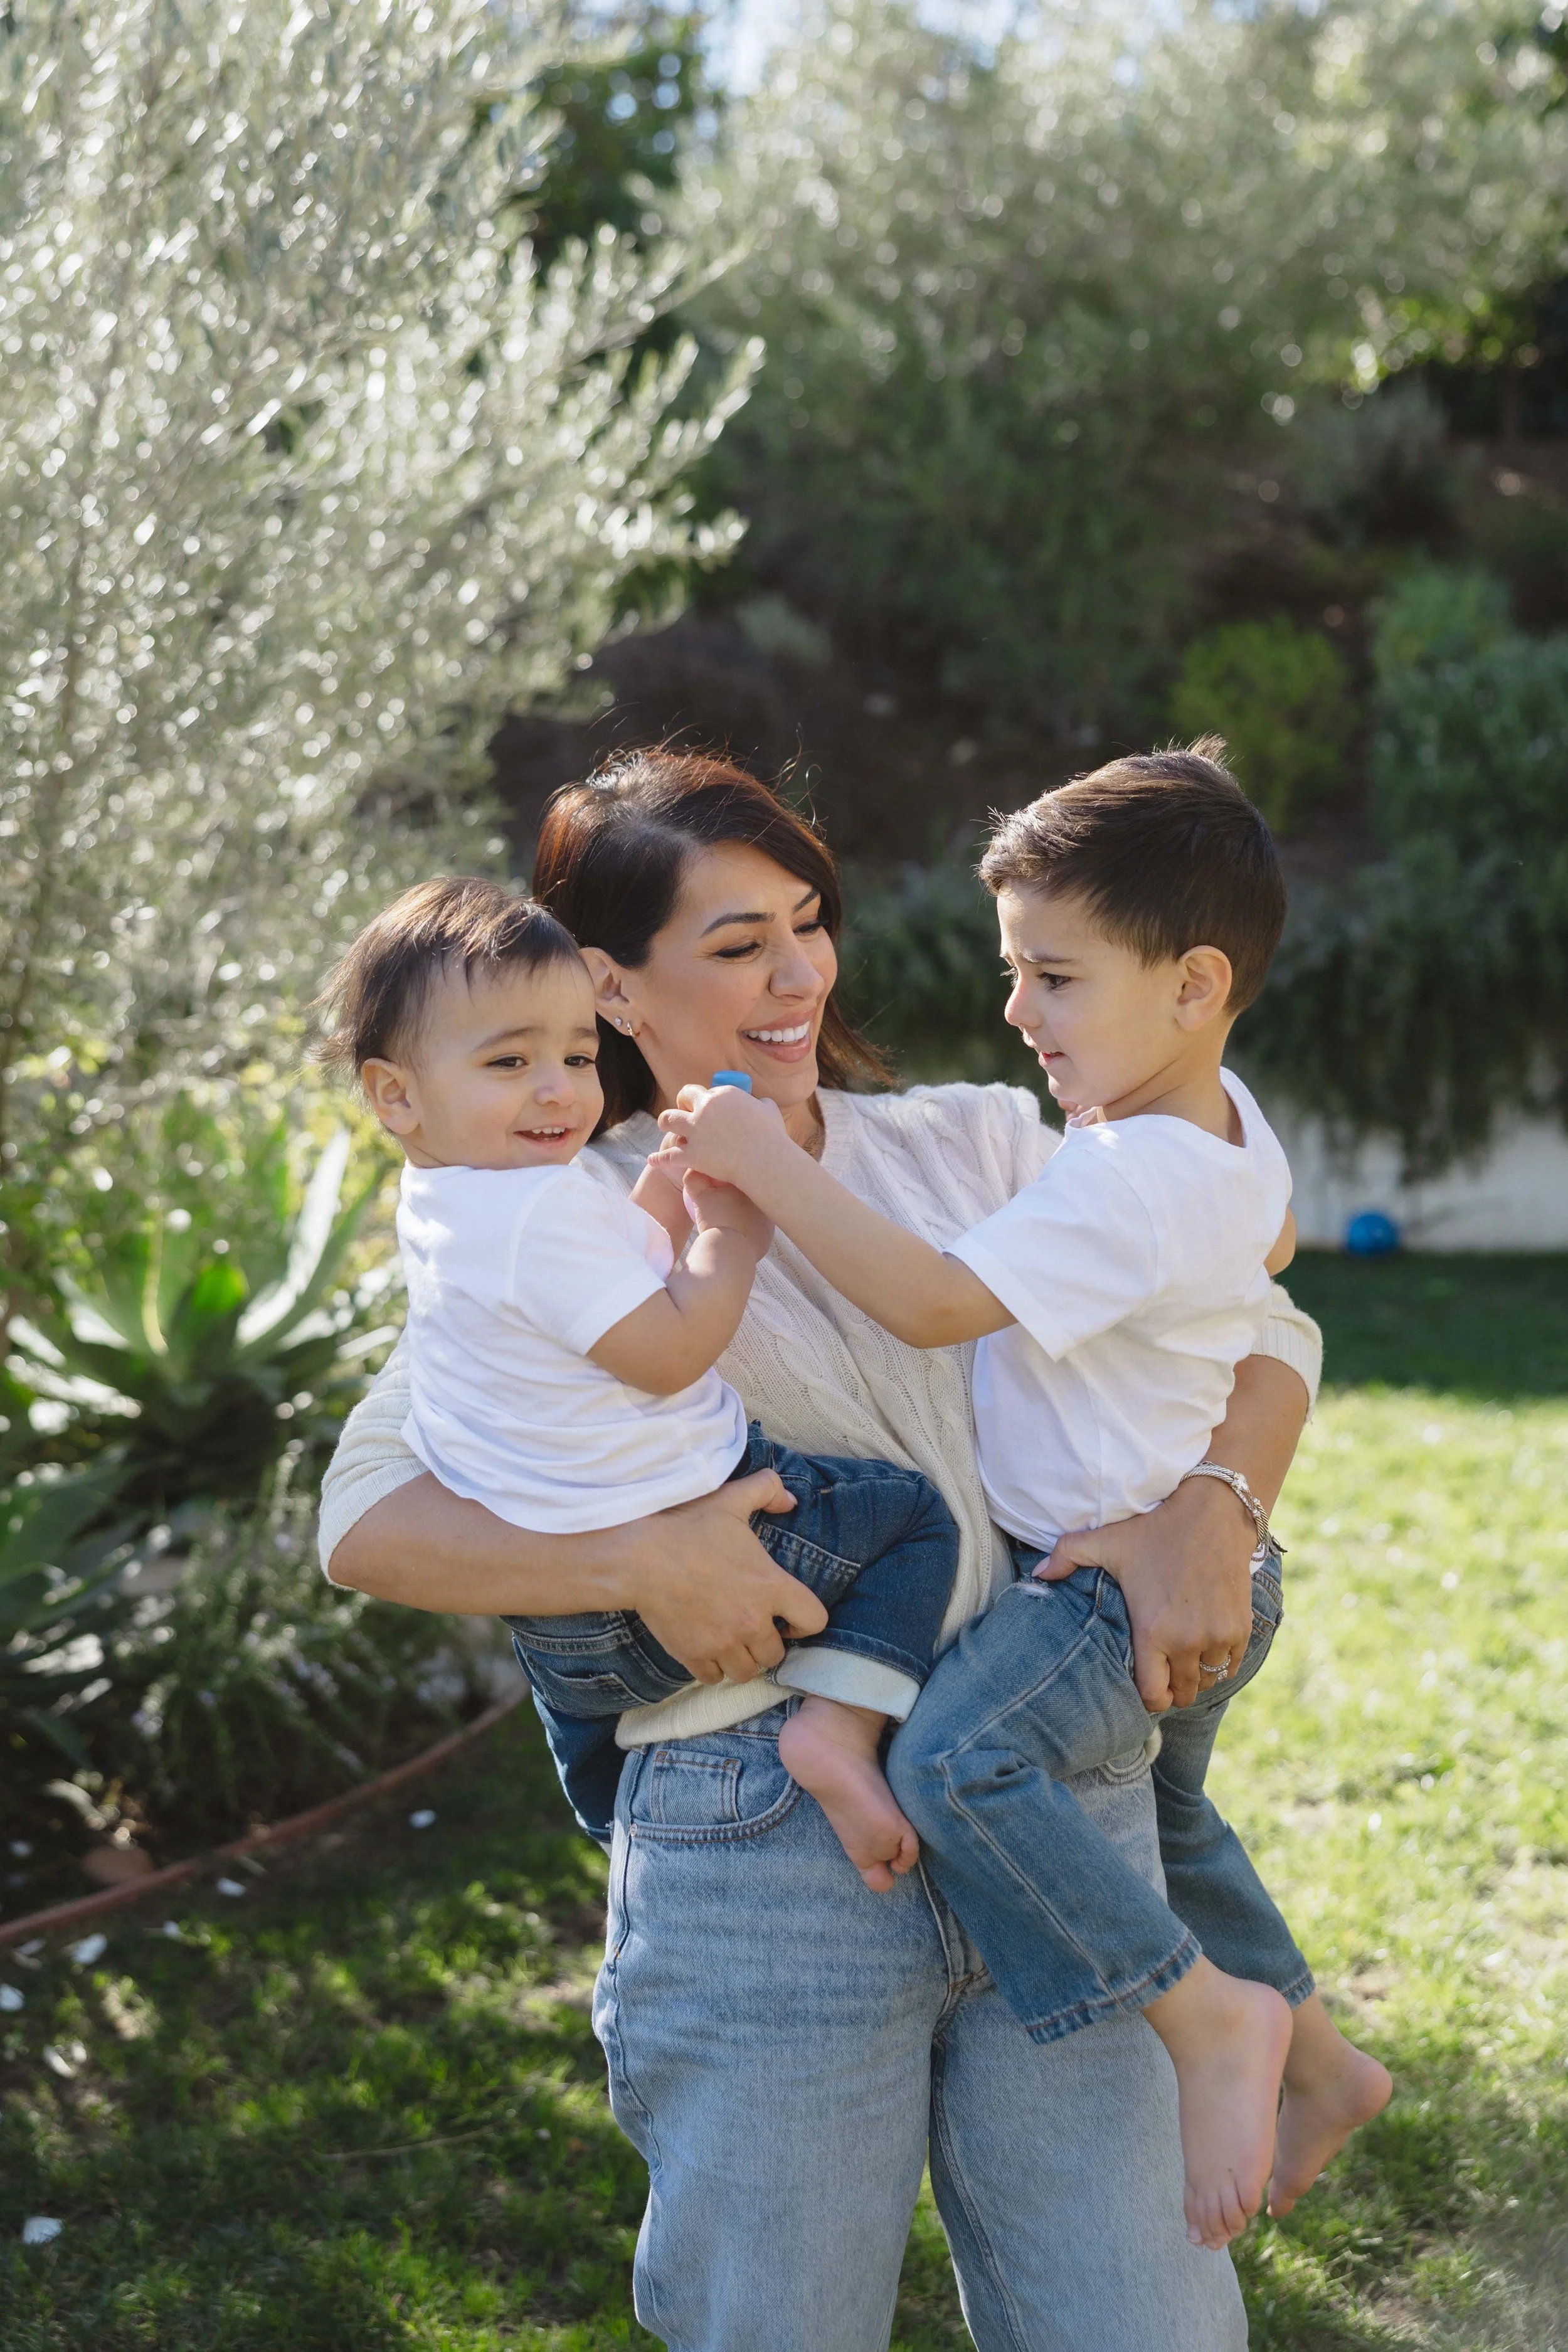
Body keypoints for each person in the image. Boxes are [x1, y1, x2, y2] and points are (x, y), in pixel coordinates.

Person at [319, 747, 1327, 2351]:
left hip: (1048, 1807)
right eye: (734, 946)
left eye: (808, 921)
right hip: (764, 1846)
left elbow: (1262, 1314)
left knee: (1144, 2325)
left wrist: (1216, 1505)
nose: (797, 974)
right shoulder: (545, 1216)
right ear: (608, 986)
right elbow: (367, 1523)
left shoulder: (984, 1141)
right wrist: (647, 1562)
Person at [654, 743, 1391, 2255]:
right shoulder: (1203, 1119)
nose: (1012, 1012)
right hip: (1167, 1572)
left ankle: (1208, 2024)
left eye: (1050, 977)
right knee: (1176, 1826)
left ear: (1190, 985)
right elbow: (1269, 1257)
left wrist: (753, 1166)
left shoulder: (1119, 1176)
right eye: (1014, 972)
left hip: (1114, 1589)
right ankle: (1318, 2060)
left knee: (961, 1762)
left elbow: (931, 1304)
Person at [316, 875, 956, 1882]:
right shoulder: (541, 1214)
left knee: (600, 1765)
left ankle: (618, 1833)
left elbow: (596, 1270)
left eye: (575, 1055)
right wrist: (732, 1239)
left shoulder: (455, 1197)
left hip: (556, 1628)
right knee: (914, 1519)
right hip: (690, 1533)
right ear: (394, 1090)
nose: (561, 1087)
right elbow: (663, 1351)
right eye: (510, 1061)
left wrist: (661, 1186)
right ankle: (841, 1723)